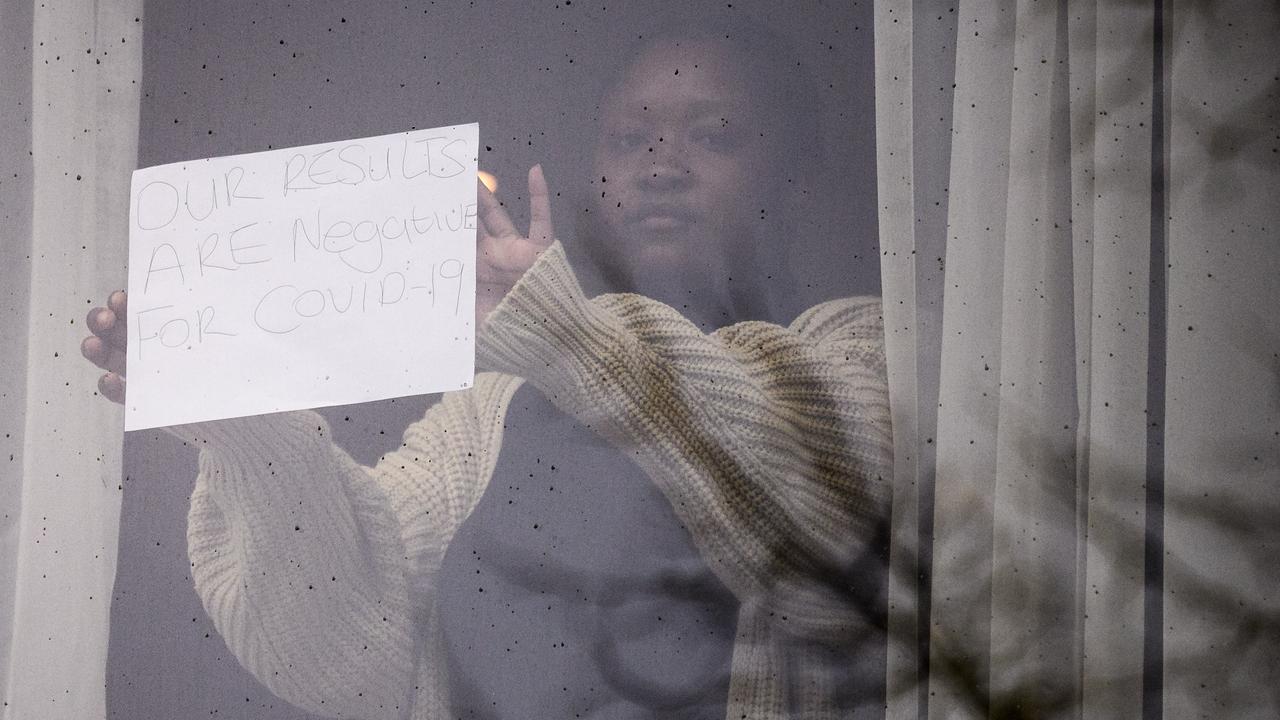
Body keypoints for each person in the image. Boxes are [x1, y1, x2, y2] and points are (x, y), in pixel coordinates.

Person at [83, 18, 893, 720]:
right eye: (627, 137)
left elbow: (810, 508)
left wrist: (565, 334)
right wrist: (244, 417)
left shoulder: (875, 351)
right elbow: (348, 651)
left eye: (713, 135)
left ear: (799, 178)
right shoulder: (495, 407)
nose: (658, 164)